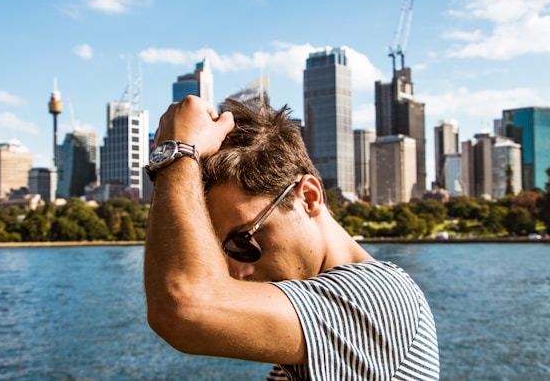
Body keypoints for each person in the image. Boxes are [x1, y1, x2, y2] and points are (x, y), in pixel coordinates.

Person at [144, 95, 440, 380]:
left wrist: (178, 152)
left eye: (243, 241)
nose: (236, 271)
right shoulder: (317, 339)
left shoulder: (378, 298)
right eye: (221, 253)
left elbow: (184, 308)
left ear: (309, 197)